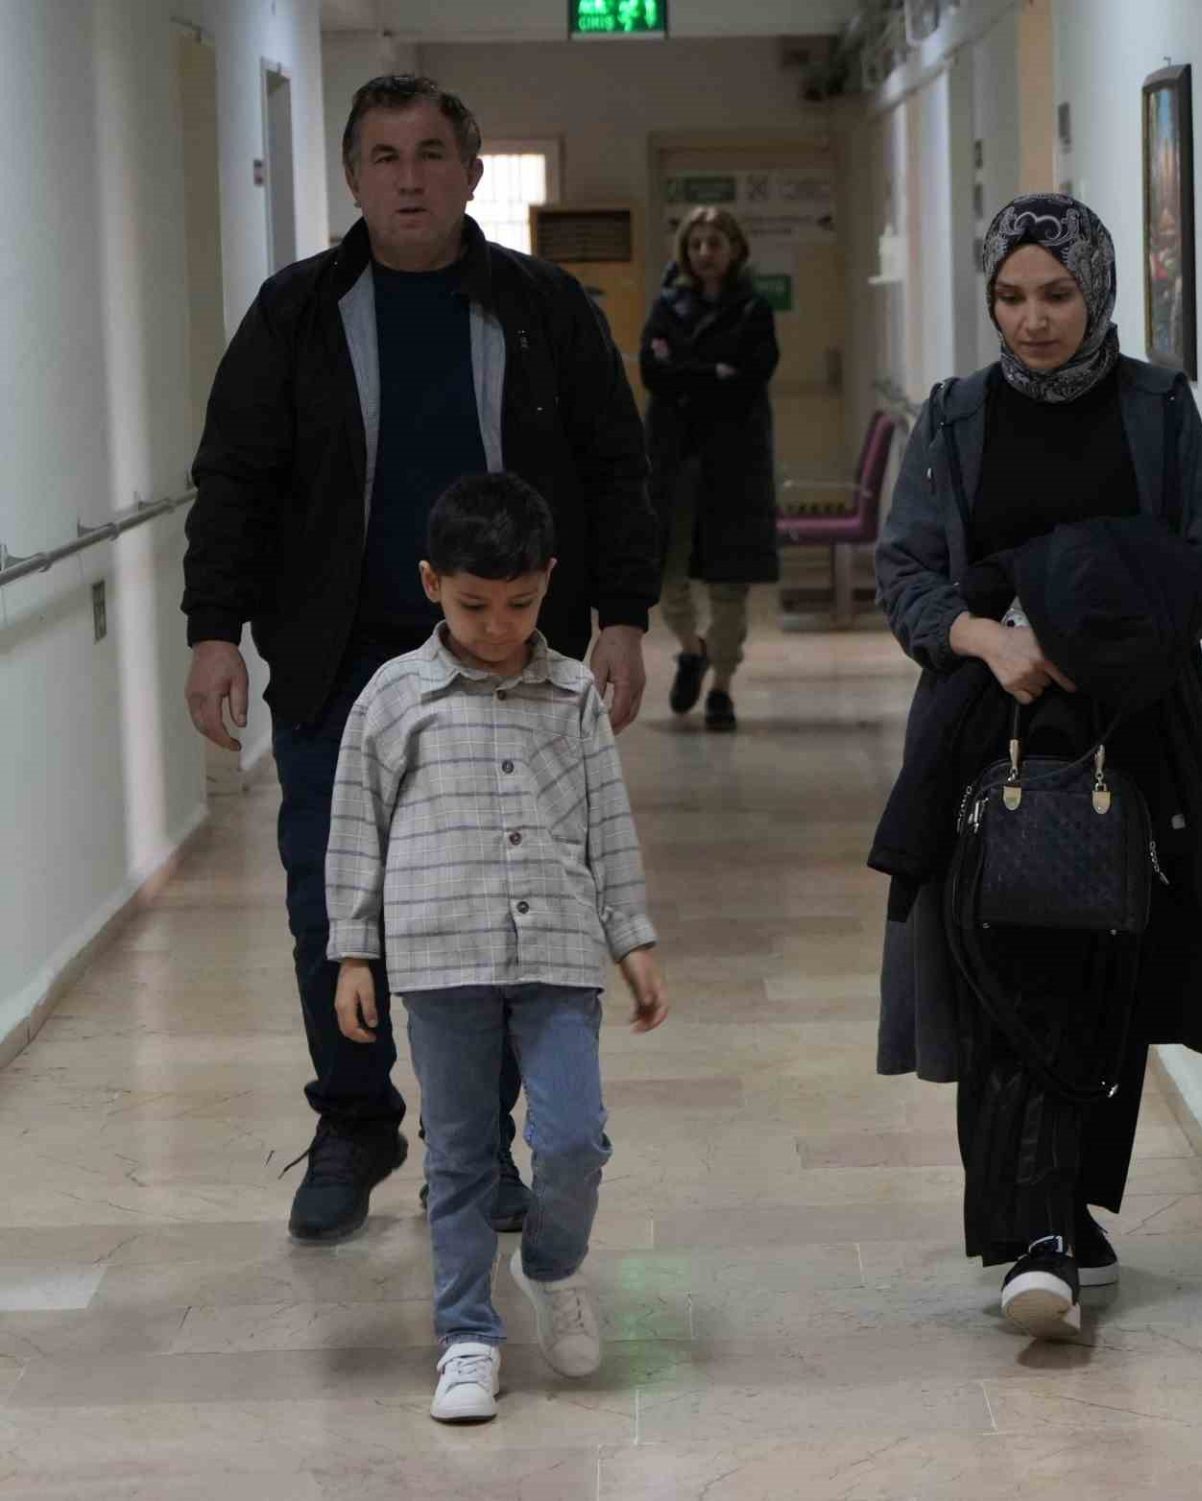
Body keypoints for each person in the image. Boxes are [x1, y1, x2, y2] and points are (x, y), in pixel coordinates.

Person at [181, 75, 658, 1245]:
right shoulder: (297, 313)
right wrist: (213, 627)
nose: (410, 179)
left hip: (506, 661)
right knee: (326, 899)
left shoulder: (543, 306)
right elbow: (235, 477)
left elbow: (616, 463)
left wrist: (623, 614)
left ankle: (473, 1147)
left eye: (433, 154)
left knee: (494, 907)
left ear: (471, 173)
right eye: (386, 157)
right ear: (353, 176)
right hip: (336, 660)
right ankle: (355, 1120)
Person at [871, 194, 1202, 1338]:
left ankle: (1071, 1210)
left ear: (1096, 289)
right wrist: (989, 637)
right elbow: (905, 572)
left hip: (1133, 730)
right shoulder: (956, 417)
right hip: (988, 729)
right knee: (1006, 961)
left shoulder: (1157, 408)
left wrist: (1091, 629)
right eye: (1011, 296)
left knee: (1112, 966)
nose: (1034, 319)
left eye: (1056, 294)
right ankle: (1034, 1229)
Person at [327, 472, 667, 1423]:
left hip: (557, 950)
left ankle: (552, 1268)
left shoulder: (573, 694)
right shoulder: (394, 697)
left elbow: (608, 822)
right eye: (474, 604)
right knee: (461, 1156)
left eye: (520, 603)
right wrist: (353, 952)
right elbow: (355, 827)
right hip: (441, 960)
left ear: (549, 580)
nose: (497, 625)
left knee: (573, 1138)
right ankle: (467, 1333)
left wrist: (632, 938)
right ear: (432, 583)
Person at [640, 206, 780, 733]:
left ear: (734, 249)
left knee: (728, 584)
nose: (704, 253)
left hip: (732, 465)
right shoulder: (667, 306)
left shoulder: (754, 310)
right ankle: (691, 649)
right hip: (674, 462)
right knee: (667, 575)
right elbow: (654, 372)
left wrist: (688, 373)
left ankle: (721, 685)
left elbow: (750, 376)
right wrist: (713, 372)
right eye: (695, 243)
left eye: (714, 243)